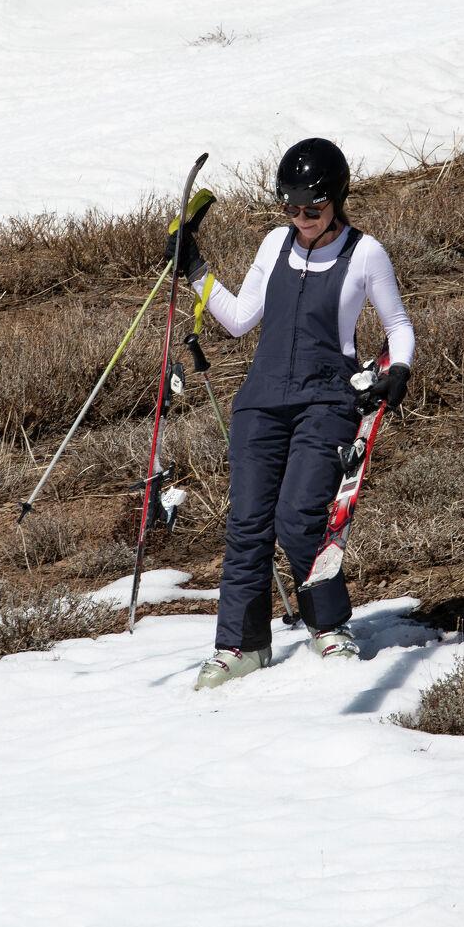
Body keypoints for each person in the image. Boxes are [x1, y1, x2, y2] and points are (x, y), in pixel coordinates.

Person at [165, 137, 416, 690]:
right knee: (247, 525)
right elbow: (238, 319)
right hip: (260, 401)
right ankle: (241, 646)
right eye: (292, 207)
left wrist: (399, 369)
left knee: (299, 515)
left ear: (337, 201)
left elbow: (398, 325)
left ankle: (328, 626)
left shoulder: (365, 253)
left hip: (327, 399)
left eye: (313, 209)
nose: (301, 218)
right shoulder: (275, 244)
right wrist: (196, 269)